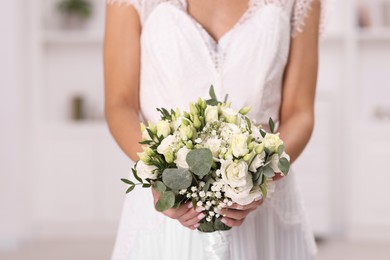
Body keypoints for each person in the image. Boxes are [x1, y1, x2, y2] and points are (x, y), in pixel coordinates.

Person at [103, 0, 325, 259]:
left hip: (263, 206)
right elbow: (120, 104)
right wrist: (163, 176)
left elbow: (300, 112)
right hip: (165, 210)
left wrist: (259, 177)